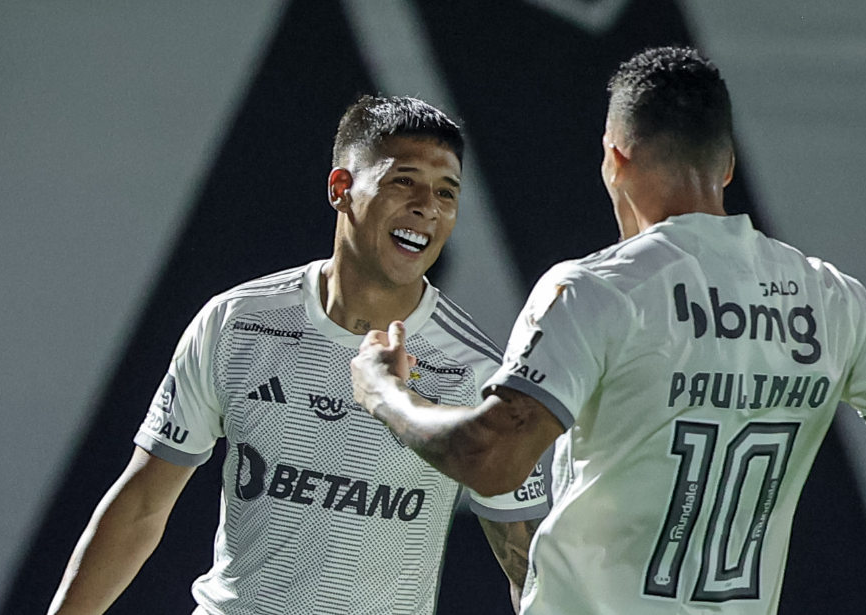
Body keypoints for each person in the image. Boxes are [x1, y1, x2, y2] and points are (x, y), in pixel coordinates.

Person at [349, 47, 866, 615]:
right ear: (729, 165)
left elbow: (493, 459)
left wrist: (386, 396)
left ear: (614, 158)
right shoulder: (829, 299)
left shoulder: (598, 290)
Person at [48, 95, 549, 615]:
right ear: (341, 189)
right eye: (404, 181)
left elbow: (527, 567)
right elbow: (142, 506)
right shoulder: (236, 322)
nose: (428, 206)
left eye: (447, 192)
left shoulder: (478, 371)